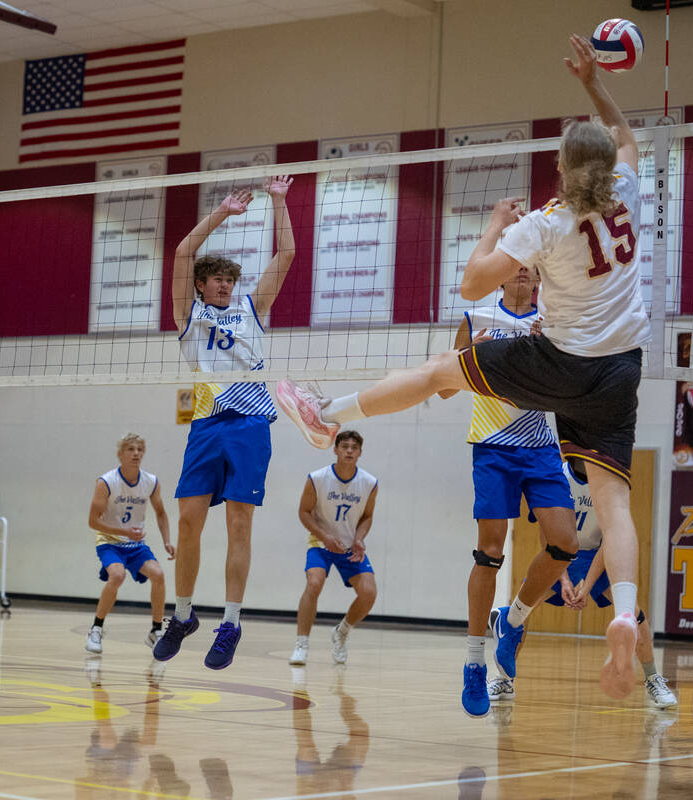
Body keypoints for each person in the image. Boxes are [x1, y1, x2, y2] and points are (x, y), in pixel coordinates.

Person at [278, 34, 648, 699]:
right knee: (614, 502)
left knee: (441, 371)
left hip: (559, 361)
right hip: (621, 368)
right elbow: (625, 134)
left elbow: (474, 287)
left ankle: (325, 415)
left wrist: (498, 235)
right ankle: (623, 612)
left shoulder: (548, 222)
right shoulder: (628, 189)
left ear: (562, 170)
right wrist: (596, 85)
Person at [153, 175, 298, 670]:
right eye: (217, 278)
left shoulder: (252, 310)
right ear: (201, 284)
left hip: (251, 422)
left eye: (230, 280)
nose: (225, 285)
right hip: (206, 423)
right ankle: (185, 614)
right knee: (189, 521)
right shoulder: (187, 315)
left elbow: (287, 255)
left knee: (240, 522)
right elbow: (179, 253)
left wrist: (278, 203)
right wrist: (221, 214)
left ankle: (231, 622)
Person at [435, 270, 578, 717]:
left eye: (531, 266)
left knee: (565, 544)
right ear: (499, 278)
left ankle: (512, 621)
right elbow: (443, 388)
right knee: (489, 552)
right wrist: (478, 358)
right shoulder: (477, 317)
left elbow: (567, 392)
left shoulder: (553, 322)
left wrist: (546, 352)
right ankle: (474, 662)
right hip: (492, 446)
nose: (522, 271)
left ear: (539, 278)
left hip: (538, 445)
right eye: (515, 264)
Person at [487, 461, 677, 710]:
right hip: (557, 551)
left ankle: (653, 679)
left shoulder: (611, 479)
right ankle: (505, 679)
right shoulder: (557, 475)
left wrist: (586, 586)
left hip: (596, 555)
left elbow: (612, 538)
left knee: (634, 614)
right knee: (520, 610)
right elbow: (547, 533)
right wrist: (563, 578)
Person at [288, 430, 378, 667]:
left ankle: (342, 632)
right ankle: (301, 644)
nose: (349, 451)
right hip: (321, 543)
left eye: (354, 447)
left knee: (369, 593)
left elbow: (367, 516)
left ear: (360, 452)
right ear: (335, 450)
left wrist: (359, 538)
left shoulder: (369, 483)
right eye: (345, 446)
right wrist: (325, 537)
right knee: (314, 583)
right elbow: (303, 512)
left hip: (350, 546)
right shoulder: (317, 478)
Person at [85, 433, 174, 653]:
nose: (136, 453)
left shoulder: (150, 482)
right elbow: (92, 521)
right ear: (121, 454)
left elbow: (161, 513)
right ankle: (96, 629)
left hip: (135, 544)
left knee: (159, 574)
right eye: (131, 449)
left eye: (139, 449)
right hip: (109, 540)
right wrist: (122, 531)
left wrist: (167, 541)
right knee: (117, 575)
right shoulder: (106, 482)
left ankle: (155, 631)